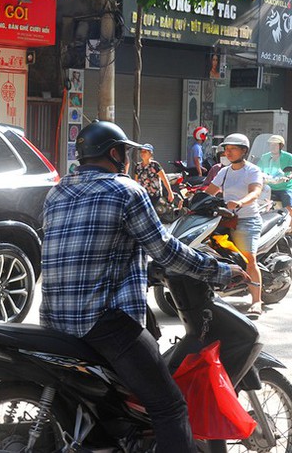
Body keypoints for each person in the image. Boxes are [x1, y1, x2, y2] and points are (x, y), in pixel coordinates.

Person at [41, 120, 248, 453]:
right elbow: (166, 250)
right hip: (102, 324)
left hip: (54, 323)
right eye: (125, 152)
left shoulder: (57, 191)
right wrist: (219, 271)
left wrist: (146, 271)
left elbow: (90, 248)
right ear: (114, 153)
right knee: (170, 407)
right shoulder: (126, 190)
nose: (127, 159)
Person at [205, 133, 264, 319]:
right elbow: (209, 191)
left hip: (247, 219)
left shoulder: (252, 171)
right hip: (224, 219)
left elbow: (255, 192)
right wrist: (191, 200)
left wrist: (239, 202)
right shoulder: (225, 171)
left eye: (232, 149)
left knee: (249, 259)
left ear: (244, 151)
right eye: (226, 149)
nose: (227, 152)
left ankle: (256, 301)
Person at [257, 134, 292, 216]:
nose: (273, 147)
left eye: (275, 145)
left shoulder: (289, 157)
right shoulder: (265, 157)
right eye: (271, 145)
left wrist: (288, 177)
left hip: (284, 187)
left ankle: (290, 224)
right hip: (269, 185)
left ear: (281, 146)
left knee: (288, 201)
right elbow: (257, 170)